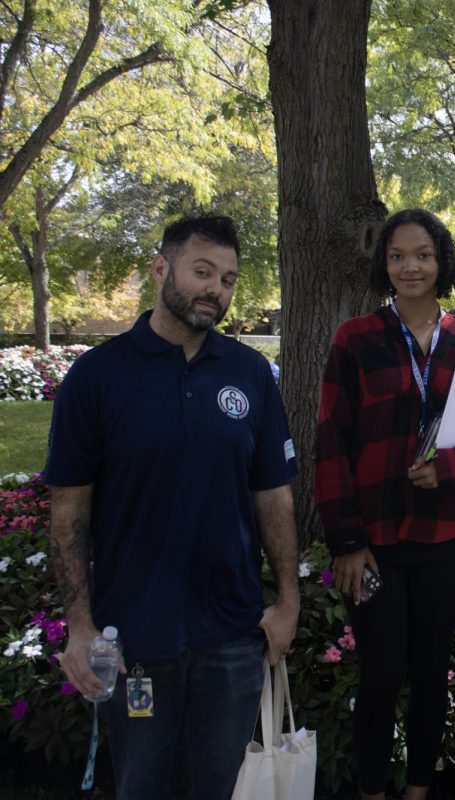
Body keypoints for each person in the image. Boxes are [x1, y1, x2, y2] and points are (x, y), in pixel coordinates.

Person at [45, 215, 300, 799]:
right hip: (134, 637)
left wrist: (287, 600)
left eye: (229, 279)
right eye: (203, 271)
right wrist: (79, 625)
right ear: (162, 269)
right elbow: (68, 511)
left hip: (233, 634)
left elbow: (274, 496)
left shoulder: (251, 374)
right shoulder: (97, 376)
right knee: (142, 787)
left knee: (220, 786)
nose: (217, 289)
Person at [314, 208, 455, 800]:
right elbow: (330, 441)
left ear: (442, 260)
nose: (410, 266)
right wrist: (345, 540)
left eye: (422, 254)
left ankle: (419, 790)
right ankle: (373, 790)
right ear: (383, 264)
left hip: (444, 536)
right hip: (374, 542)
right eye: (397, 256)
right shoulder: (356, 338)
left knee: (428, 672)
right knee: (380, 673)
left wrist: (449, 468)